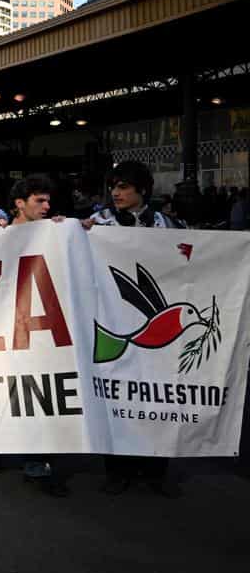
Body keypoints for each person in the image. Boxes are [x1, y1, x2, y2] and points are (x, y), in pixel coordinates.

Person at [82, 161, 181, 496]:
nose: (116, 193)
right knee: (115, 395)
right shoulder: (100, 222)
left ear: (142, 190)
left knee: (159, 399)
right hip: (113, 320)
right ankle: (117, 470)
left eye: (123, 187)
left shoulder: (167, 224)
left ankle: (155, 470)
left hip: (158, 320)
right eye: (113, 187)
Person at [1, 176, 70, 497]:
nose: (47, 207)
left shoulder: (54, 231)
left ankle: (37, 461)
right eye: (39, 201)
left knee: (38, 393)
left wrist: (69, 230)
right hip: (1, 328)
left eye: (48, 201)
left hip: (39, 329)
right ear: (20, 203)